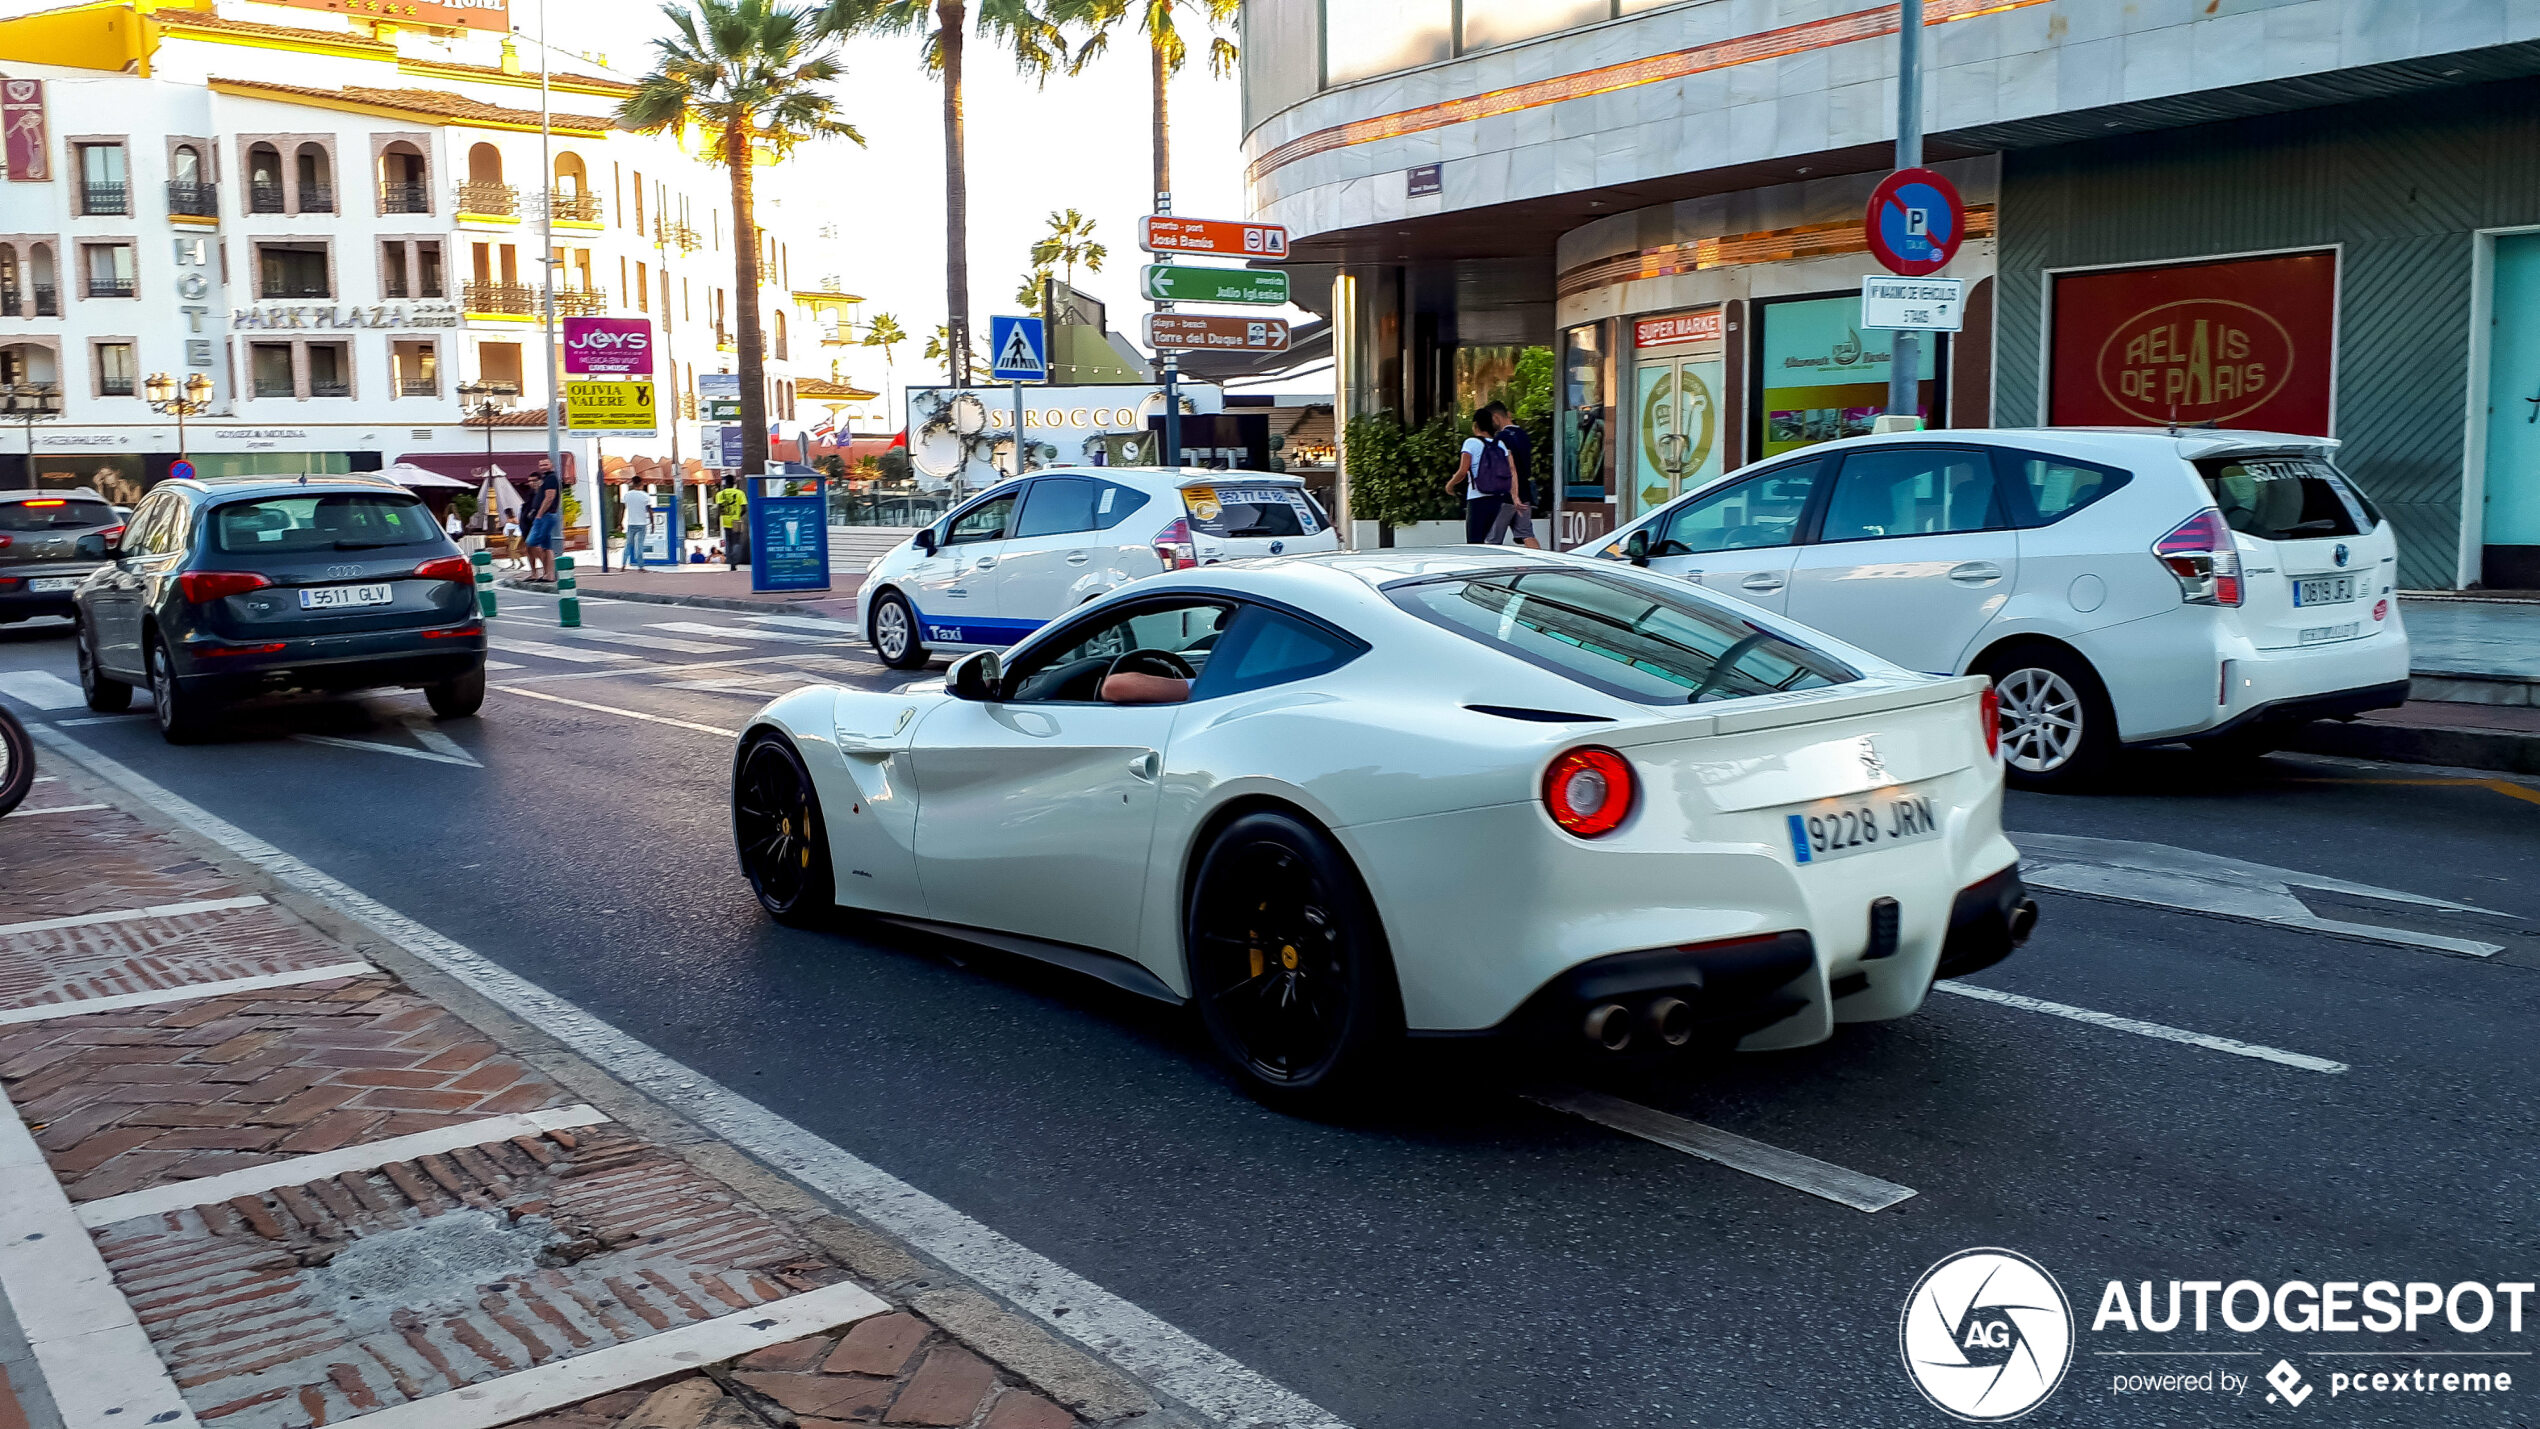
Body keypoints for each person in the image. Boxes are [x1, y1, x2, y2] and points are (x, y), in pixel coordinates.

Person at [1484, 402, 1544, 548]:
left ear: (1496, 417)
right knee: (1527, 534)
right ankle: (1541, 564)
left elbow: (1503, 468)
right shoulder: (1523, 435)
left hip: (1505, 495)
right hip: (1524, 493)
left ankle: (1491, 570)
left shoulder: (1501, 439)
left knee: (1492, 540)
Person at [1445, 412, 1506, 544]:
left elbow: (1463, 470)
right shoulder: (1500, 444)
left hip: (1477, 496)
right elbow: (1510, 470)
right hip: (1497, 497)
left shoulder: (1470, 442)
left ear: (1475, 425)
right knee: (1485, 540)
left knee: (1474, 541)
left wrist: (1450, 484)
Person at [522, 459, 563, 582]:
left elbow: (550, 497)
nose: (543, 467)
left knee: (531, 542)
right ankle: (548, 574)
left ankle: (548, 573)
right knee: (546, 546)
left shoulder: (551, 478)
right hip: (545, 516)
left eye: (546, 464)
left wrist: (539, 515)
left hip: (545, 516)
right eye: (541, 465)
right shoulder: (546, 479)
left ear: (552, 465)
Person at [715, 480, 749, 570]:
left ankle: (731, 562)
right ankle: (735, 558)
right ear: (733, 484)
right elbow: (744, 508)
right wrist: (739, 515)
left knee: (729, 542)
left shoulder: (720, 494)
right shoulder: (740, 493)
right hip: (737, 521)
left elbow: (719, 509)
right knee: (736, 541)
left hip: (726, 521)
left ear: (725, 484)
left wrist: (717, 522)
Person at [621, 483, 654, 568]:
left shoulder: (627, 495)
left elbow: (622, 509)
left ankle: (623, 564)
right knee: (639, 546)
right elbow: (649, 510)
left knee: (628, 544)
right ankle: (640, 566)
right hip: (642, 523)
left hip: (631, 523)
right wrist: (652, 523)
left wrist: (620, 522)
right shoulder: (645, 495)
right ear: (641, 484)